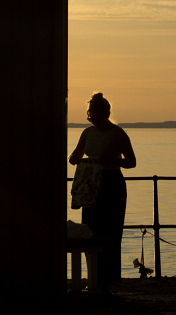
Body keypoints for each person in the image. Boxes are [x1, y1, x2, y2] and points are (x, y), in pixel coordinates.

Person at [68, 93, 137, 290]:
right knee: (90, 231)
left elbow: (132, 162)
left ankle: (109, 279)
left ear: (106, 113)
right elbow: (76, 153)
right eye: (91, 114)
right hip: (90, 184)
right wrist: (73, 158)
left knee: (111, 231)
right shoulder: (87, 133)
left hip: (111, 183)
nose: (94, 118)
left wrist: (114, 160)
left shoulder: (117, 133)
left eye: (97, 114)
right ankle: (94, 277)